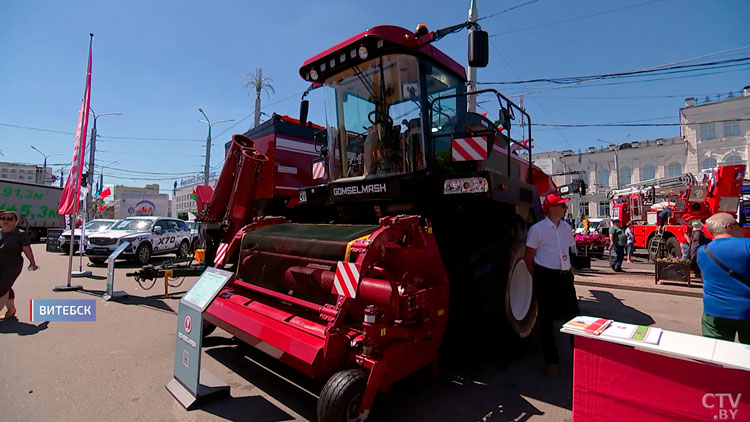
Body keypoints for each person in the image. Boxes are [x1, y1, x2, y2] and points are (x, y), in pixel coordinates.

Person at [525, 192, 579, 378]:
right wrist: (537, 277)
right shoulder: (537, 230)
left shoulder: (566, 228)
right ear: (552, 208)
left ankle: (578, 357)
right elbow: (528, 257)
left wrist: (570, 269)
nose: (564, 208)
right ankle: (551, 361)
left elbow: (569, 250)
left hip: (564, 276)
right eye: (561, 205)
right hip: (545, 276)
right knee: (546, 319)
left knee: (574, 317)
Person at [696, 213, 750, 344]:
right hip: (746, 311)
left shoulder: (703, 251)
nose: (742, 228)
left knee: (715, 354)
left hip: (714, 311)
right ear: (729, 226)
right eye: (739, 225)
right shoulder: (747, 245)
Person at [0, 211, 39, 320]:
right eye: (3, 218)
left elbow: (27, 249)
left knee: (2, 287)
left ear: (15, 221)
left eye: (9, 218)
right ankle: (11, 309)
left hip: (13, 264)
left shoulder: (20, 234)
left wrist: (33, 263)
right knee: (6, 286)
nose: (6, 220)